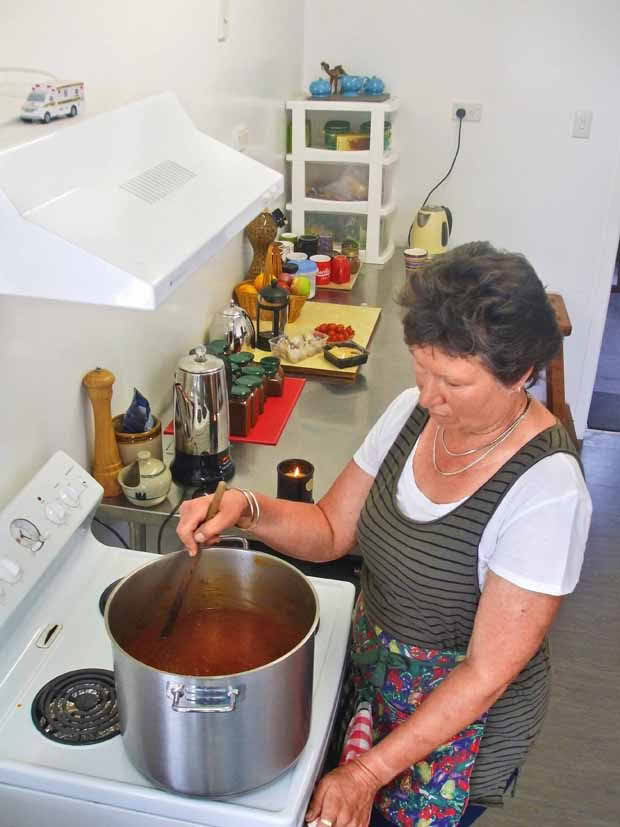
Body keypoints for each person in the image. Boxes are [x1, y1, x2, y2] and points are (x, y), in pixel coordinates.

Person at [177, 242, 592, 827]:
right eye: (421, 367)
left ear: (521, 372)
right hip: (375, 675)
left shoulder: (548, 490)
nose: (427, 395)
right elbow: (329, 530)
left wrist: (369, 772)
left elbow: (486, 674)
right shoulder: (410, 413)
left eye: (452, 380)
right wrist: (244, 507)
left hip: (457, 724)